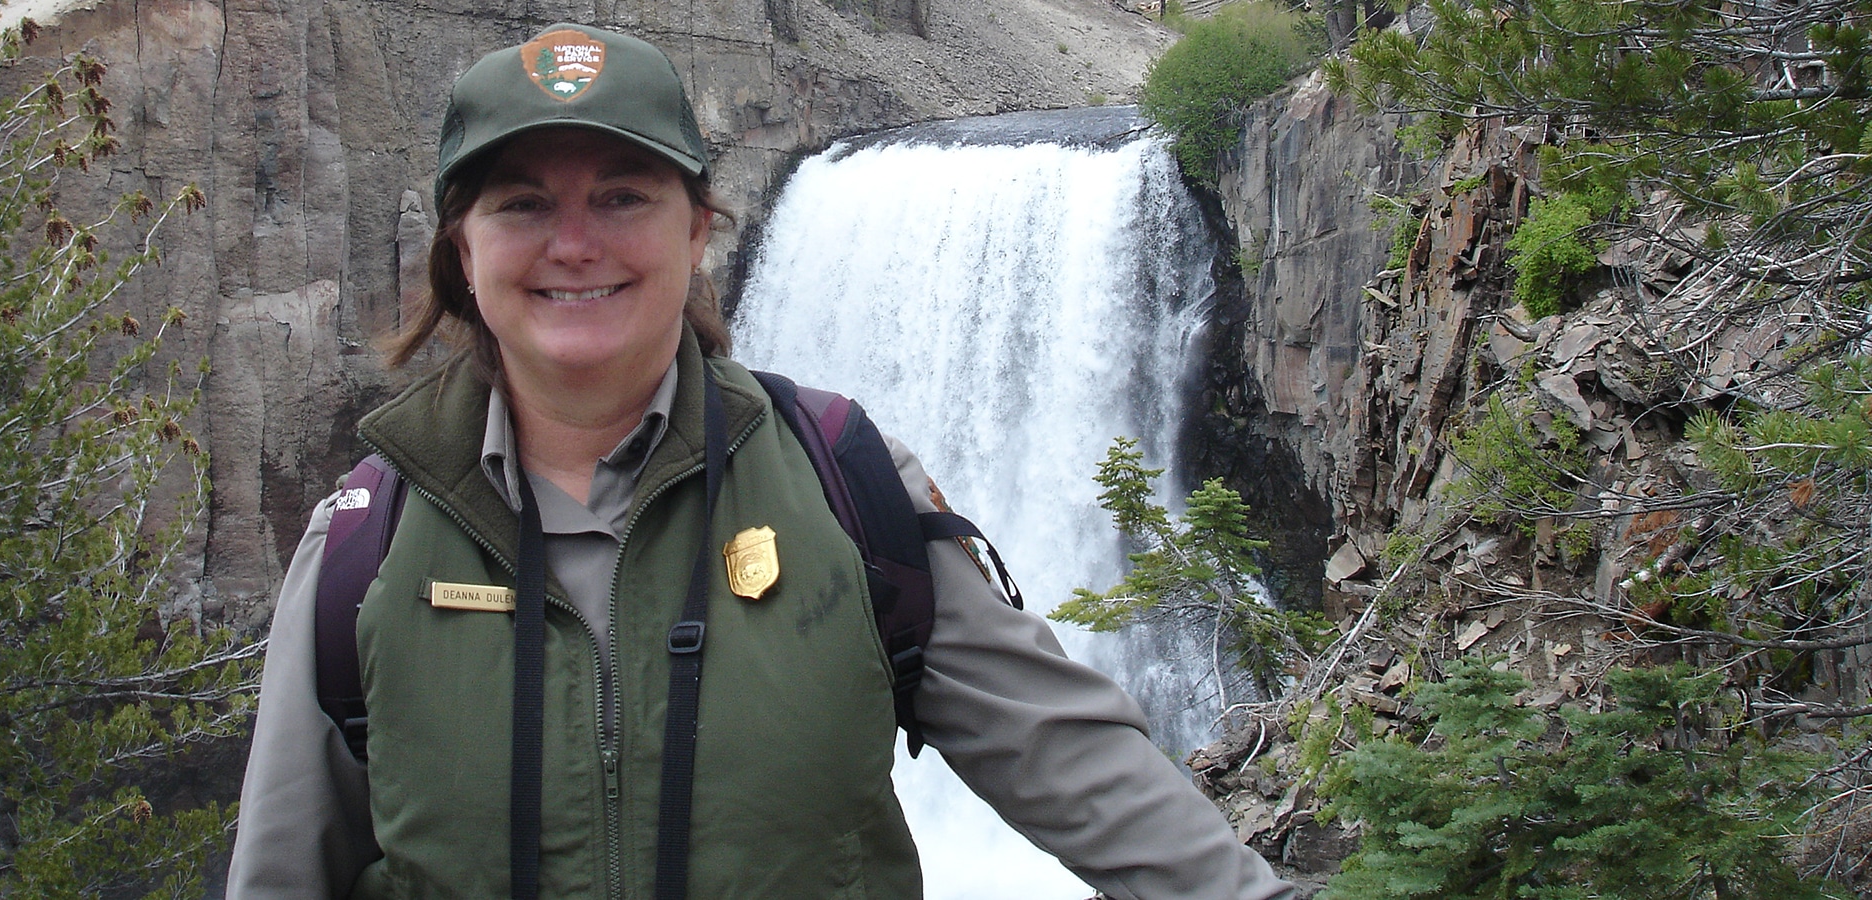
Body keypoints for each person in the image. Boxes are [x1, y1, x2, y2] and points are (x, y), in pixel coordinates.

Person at [228, 22, 1296, 900]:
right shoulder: (362, 548)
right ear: (462, 251)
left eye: (622, 196)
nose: (574, 243)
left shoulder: (851, 486)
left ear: (699, 230)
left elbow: (1072, 762)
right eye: (522, 204)